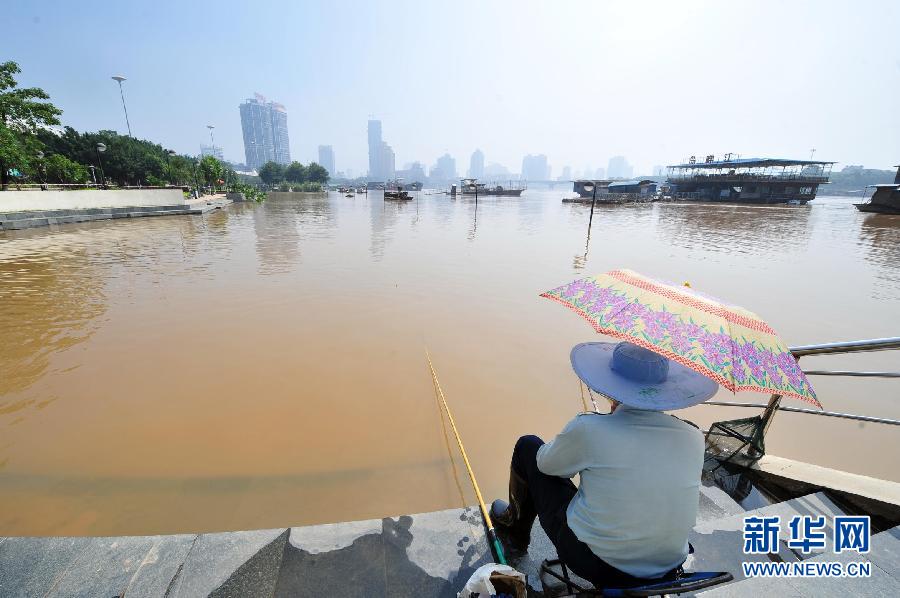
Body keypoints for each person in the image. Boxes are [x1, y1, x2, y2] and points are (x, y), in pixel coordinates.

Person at [490, 341, 719, 589]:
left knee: (528, 446)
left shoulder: (590, 428)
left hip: (600, 566)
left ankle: (514, 531)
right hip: (669, 566)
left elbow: (546, 465)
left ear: (612, 385)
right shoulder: (693, 436)